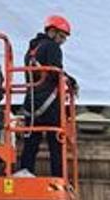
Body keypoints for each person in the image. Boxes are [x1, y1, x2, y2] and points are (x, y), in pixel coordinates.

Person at [16, 14, 73, 177]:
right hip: (50, 102)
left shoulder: (31, 50)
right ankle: (58, 178)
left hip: (32, 103)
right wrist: (71, 81)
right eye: (61, 36)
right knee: (56, 141)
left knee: (31, 142)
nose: (62, 41)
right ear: (52, 31)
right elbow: (56, 72)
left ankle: (25, 173)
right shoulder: (52, 47)